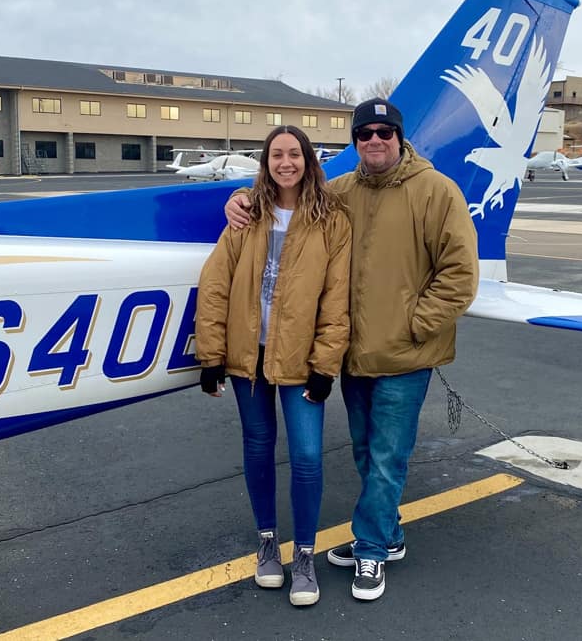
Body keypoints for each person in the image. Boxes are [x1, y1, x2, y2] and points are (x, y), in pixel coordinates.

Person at [224, 98, 478, 601]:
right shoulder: (340, 192)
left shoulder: (437, 192)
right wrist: (240, 197)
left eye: (385, 132)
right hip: (354, 355)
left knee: (387, 457)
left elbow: (461, 275)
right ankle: (388, 532)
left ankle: (370, 550)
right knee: (365, 450)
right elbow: (286, 194)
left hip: (406, 355)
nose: (375, 141)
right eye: (365, 133)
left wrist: (413, 326)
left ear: (400, 137)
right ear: (355, 142)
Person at [196, 125, 351, 607]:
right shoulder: (247, 215)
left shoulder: (332, 220)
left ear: (308, 159)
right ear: (265, 163)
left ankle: (304, 554)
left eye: (294, 154)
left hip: (302, 361)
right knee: (258, 447)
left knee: (306, 456)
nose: (286, 163)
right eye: (276, 155)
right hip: (249, 359)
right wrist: (212, 356)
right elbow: (216, 283)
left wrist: (326, 364)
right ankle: (268, 543)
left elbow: (336, 299)